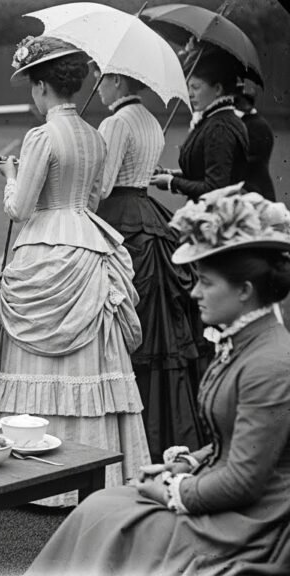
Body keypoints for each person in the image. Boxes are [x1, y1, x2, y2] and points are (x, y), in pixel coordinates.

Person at [27, 184, 290, 575]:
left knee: (114, 519)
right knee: (101, 507)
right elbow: (234, 442)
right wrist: (185, 463)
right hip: (227, 500)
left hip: (251, 523)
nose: (195, 292)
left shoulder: (270, 363)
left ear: (245, 291)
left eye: (207, 282)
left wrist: (171, 490)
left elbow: (243, 481)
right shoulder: (245, 343)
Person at [0, 36, 150, 506]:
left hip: (44, 242)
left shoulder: (41, 136)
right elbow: (95, 197)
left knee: (34, 360)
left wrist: (11, 176)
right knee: (92, 364)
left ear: (42, 86)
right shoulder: (95, 136)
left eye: (31, 87)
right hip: (88, 244)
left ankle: (34, 475)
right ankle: (93, 473)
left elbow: (19, 209)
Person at [91, 65, 210, 462]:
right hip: (148, 215)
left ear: (117, 80)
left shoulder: (116, 123)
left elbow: (103, 186)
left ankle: (126, 431)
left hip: (120, 217)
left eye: (101, 78)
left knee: (123, 326)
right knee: (158, 332)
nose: (98, 87)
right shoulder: (151, 121)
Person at [151, 51, 249, 200]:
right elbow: (201, 173)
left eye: (196, 87)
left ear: (218, 89)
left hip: (214, 212)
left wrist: (172, 182)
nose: (189, 94)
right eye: (188, 87)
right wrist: (169, 174)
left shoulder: (220, 128)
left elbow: (214, 188)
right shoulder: (212, 120)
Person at [234, 82, 276, 202]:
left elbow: (251, 160)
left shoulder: (259, 126)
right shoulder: (244, 122)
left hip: (256, 190)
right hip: (247, 189)